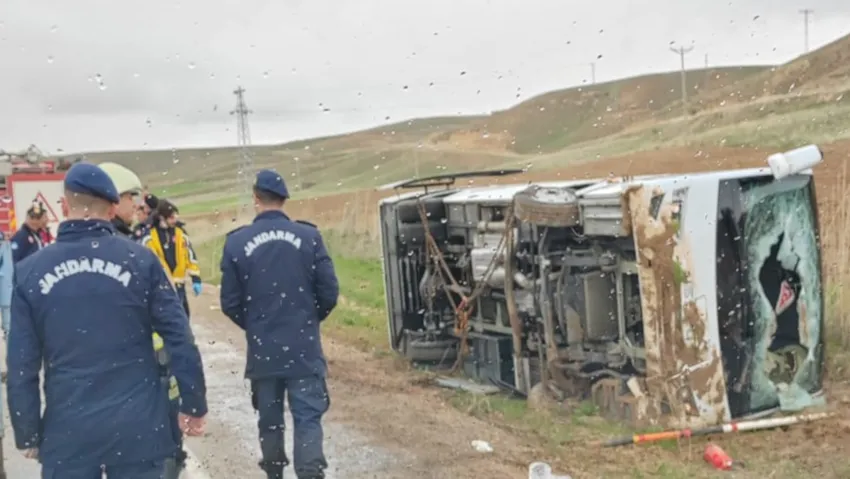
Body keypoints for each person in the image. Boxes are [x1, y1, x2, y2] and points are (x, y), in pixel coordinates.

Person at [6, 162, 208, 478]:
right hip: (137, 430)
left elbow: (22, 364)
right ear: (113, 209)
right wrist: (193, 403)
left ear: (63, 205)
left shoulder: (31, 272)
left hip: (69, 431)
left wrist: (27, 430)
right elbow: (179, 337)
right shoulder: (141, 262)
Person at [219, 169, 339, 479]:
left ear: (256, 199)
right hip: (303, 347)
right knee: (308, 419)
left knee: (269, 421)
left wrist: (258, 324)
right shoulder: (309, 236)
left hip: (265, 351)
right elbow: (329, 292)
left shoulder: (236, 242)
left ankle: (274, 473)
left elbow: (230, 303)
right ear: (284, 200)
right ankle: (310, 473)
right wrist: (308, 318)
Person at [99, 162, 189, 478]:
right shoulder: (134, 254)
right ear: (111, 201)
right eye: (131, 196)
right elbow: (171, 324)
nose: (139, 203)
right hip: (143, 376)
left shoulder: (134, 242)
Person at [141, 199, 202, 316]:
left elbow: (190, 255)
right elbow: (147, 261)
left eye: (176, 216)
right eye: (172, 217)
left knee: (183, 318)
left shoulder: (181, 234)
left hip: (180, 287)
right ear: (162, 218)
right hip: (161, 289)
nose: (175, 220)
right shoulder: (149, 237)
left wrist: (196, 278)